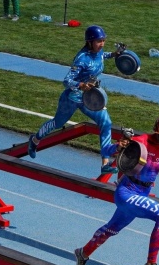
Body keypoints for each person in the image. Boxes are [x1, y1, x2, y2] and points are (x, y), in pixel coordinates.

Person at [74, 116, 159, 265]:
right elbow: (106, 151)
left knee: (111, 230)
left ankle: (82, 253)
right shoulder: (140, 142)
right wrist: (118, 146)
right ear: (158, 134)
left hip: (141, 193)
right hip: (127, 193)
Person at [27, 25, 123, 174]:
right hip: (72, 98)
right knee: (57, 123)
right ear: (90, 42)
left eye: (103, 40)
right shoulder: (81, 59)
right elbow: (66, 81)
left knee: (106, 122)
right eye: (99, 41)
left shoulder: (99, 51)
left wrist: (115, 54)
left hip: (90, 98)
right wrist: (81, 85)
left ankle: (105, 162)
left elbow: (103, 56)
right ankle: (34, 140)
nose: (102, 44)